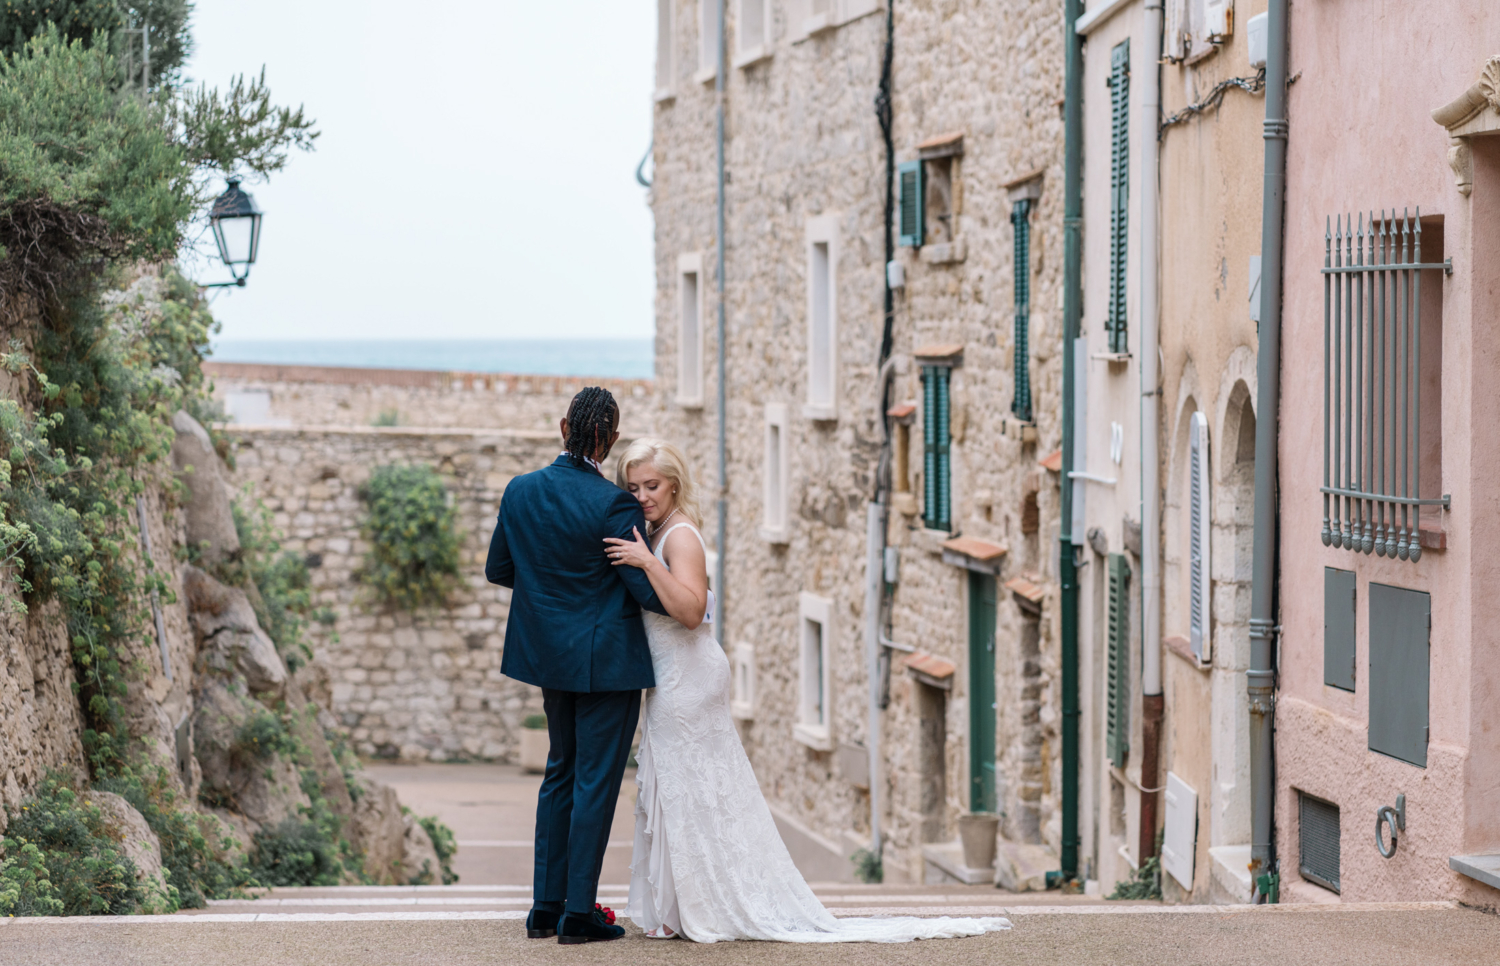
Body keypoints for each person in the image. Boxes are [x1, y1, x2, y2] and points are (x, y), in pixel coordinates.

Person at [606, 437, 1011, 944]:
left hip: (688, 675)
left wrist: (646, 563)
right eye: (634, 486)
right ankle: (683, 904)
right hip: (673, 675)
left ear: (675, 485)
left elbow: (689, 613)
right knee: (676, 787)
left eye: (653, 485)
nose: (642, 495)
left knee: (687, 787)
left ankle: (699, 906)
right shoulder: (655, 531)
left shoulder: (679, 538)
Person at [486, 387, 666, 945]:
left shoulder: (520, 491)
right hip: (608, 662)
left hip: (548, 654)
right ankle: (579, 914)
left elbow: (500, 569)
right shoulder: (615, 504)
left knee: (560, 771)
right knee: (596, 781)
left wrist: (552, 596)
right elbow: (646, 592)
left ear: (564, 427)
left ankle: (545, 906)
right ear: (610, 440)